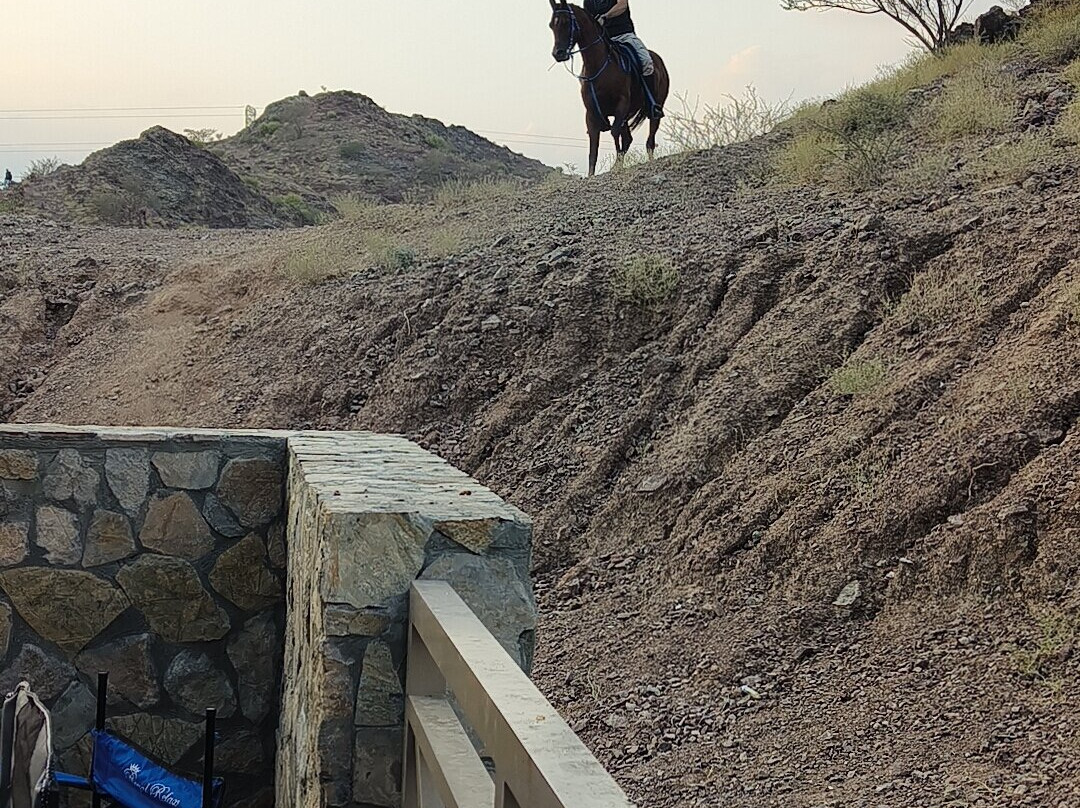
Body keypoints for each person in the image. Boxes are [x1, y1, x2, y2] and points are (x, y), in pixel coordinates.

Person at [584, 0, 663, 119]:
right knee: (584, 75)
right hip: (604, 41)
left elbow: (622, 5)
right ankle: (595, 112)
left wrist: (605, 16)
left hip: (624, 35)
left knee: (647, 62)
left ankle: (651, 104)